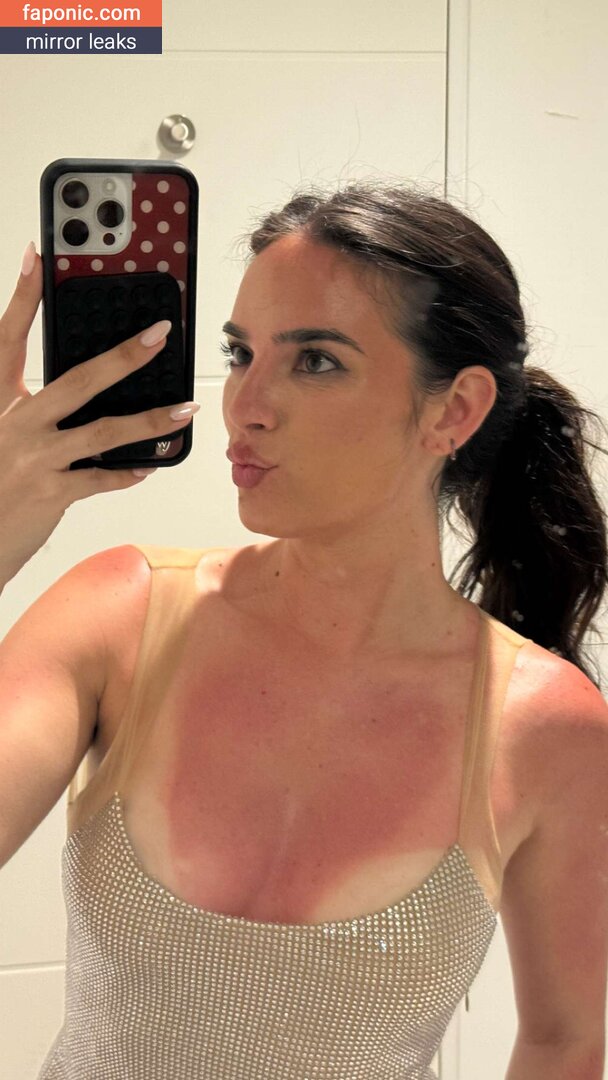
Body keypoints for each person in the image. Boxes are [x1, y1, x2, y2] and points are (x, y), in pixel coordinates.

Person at [0, 181, 607, 1080]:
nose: (246, 403)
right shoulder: (121, 615)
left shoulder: (547, 727)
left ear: (454, 411)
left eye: (315, 360)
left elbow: (566, 1041)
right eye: (239, 352)